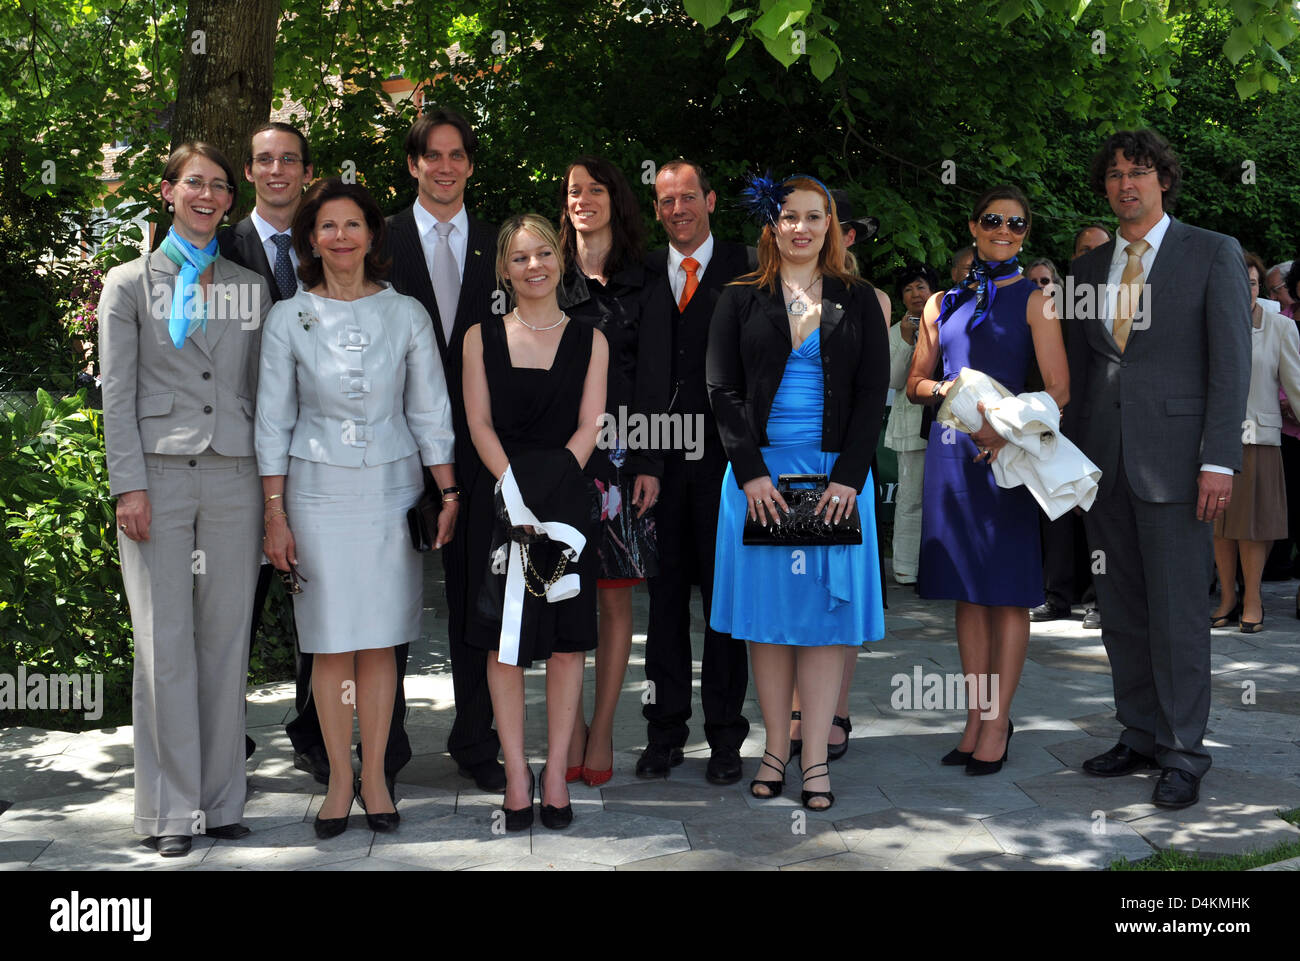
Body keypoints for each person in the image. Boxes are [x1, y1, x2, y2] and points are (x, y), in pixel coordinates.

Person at [257, 178, 457, 838]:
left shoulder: (406, 315)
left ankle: (376, 776)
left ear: (373, 235)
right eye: (327, 226)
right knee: (328, 643)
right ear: (311, 239)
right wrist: (275, 512)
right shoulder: (288, 316)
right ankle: (339, 779)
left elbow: (429, 410)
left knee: (379, 641)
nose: (340, 236)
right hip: (314, 496)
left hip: (390, 494)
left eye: (353, 225)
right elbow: (272, 422)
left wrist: (448, 491)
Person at [1067, 129, 1250, 809]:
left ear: (1163, 179)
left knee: (1178, 614)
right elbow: (1082, 376)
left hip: (1180, 468)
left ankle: (1182, 751)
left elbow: (1230, 366)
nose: (1125, 184)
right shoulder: (1085, 271)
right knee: (1120, 609)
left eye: (1138, 171)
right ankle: (1139, 731)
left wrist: (1219, 459)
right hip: (1103, 467)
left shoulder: (1212, 253)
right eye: (1114, 174)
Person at [99, 142, 270, 857]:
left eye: (219, 186)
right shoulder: (127, 285)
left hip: (234, 477)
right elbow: (117, 394)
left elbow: (263, 392)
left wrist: (273, 491)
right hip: (159, 482)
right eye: (193, 183)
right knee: (164, 645)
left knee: (226, 644)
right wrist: (127, 484)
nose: (206, 195)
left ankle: (222, 801)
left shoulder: (251, 287)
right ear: (167, 191)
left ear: (231, 201)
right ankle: (171, 811)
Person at [708, 175, 890, 811]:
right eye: (790, 216)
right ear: (772, 225)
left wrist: (850, 477)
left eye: (816, 217)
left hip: (839, 480)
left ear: (832, 227)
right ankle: (773, 750)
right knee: (769, 624)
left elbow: (873, 395)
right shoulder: (737, 299)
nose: (802, 228)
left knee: (822, 623)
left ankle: (815, 761)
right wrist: (751, 471)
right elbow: (721, 391)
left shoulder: (860, 299)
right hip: (758, 482)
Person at [907, 185, 1068, 776]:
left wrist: (1005, 432)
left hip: (1007, 456)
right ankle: (974, 716)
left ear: (1026, 232)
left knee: (1006, 591)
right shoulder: (941, 303)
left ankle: (999, 720)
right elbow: (916, 384)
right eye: (994, 221)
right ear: (974, 227)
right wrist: (945, 390)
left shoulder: (1037, 298)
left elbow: (1060, 388)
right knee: (968, 591)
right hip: (951, 453)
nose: (1005, 230)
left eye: (1018, 224)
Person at [462, 213, 608, 830]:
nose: (534, 267)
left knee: (567, 644)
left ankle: (556, 774)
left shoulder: (591, 339)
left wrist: (549, 494)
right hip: (499, 508)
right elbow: (479, 425)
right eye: (519, 258)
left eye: (544, 253)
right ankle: (517, 773)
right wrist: (514, 493)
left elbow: (591, 424)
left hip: (567, 511)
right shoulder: (479, 338)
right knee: (504, 644)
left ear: (561, 258)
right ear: (504, 269)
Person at [384, 107, 505, 792]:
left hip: (479, 456)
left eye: (457, 154)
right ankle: (388, 747)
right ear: (413, 163)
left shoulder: (499, 244)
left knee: (476, 599)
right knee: (388, 600)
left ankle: (476, 738)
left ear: (469, 164)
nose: (446, 166)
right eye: (433, 154)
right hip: (392, 451)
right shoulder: (378, 239)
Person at [639, 159, 755, 784]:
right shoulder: (641, 278)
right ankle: (664, 733)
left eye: (688, 197)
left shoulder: (747, 268)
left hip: (726, 463)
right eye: (666, 200)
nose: (678, 209)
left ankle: (726, 737)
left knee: (723, 605)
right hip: (658, 466)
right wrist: (642, 460)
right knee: (661, 609)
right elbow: (630, 377)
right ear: (656, 209)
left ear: (710, 199)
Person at [217, 121, 325, 775]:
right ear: (250, 173)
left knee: (316, 596)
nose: (278, 170)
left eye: (290, 159)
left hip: (317, 452)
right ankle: (225, 735)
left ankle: (315, 729)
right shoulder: (217, 246)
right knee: (234, 604)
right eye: (265, 160)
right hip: (234, 454)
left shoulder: (331, 242)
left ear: (306, 172)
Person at [556, 156, 663, 787]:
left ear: (614, 199)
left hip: (624, 459)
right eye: (573, 191)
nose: (582, 199)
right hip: (560, 458)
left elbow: (652, 377)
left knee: (615, 602)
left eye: (595, 189)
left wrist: (648, 459)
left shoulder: (643, 280)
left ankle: (601, 733)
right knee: (561, 594)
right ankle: (564, 731)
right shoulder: (549, 271)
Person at [1208, 252, 1300, 632]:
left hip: (1259, 438)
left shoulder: (1280, 326)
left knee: (1250, 527)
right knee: (1218, 524)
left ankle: (1252, 599)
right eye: (1238, 281)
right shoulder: (1210, 323)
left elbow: (1296, 385)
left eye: (1252, 282)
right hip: (1212, 439)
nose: (1245, 288)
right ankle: (1227, 596)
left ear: (1259, 286)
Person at [886, 263, 938, 585]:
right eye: (908, 289)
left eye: (921, 286)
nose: (916, 294)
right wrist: (906, 340)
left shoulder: (946, 323)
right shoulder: (894, 330)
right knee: (910, 497)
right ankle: (906, 567)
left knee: (944, 496)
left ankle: (939, 562)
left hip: (946, 420)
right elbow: (891, 380)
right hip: (910, 422)